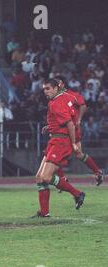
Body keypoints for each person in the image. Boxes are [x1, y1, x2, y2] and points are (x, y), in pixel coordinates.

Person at [34, 79, 86, 218]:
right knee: (39, 178)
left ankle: (77, 193)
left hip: (60, 142)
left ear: (56, 88)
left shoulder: (56, 103)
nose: (45, 91)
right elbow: (67, 118)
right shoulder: (61, 99)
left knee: (46, 177)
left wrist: (74, 143)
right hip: (54, 140)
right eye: (44, 89)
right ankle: (44, 213)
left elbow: (69, 124)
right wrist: (50, 127)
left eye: (48, 88)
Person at [54, 76, 103, 186]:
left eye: (57, 82)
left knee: (55, 153)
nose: (55, 85)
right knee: (78, 154)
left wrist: (79, 119)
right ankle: (97, 171)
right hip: (61, 129)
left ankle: (63, 180)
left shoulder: (72, 95)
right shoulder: (55, 97)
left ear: (62, 84)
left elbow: (83, 105)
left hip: (72, 129)